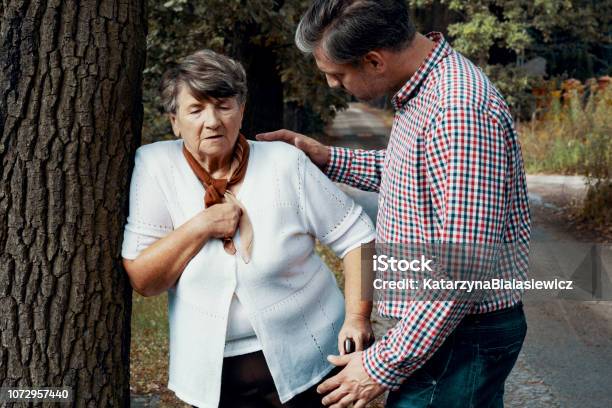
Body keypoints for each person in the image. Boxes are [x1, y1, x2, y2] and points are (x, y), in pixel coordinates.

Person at [256, 1, 531, 407]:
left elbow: (462, 269)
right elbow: (408, 173)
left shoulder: (457, 110)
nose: (332, 85)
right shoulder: (427, 91)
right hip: (442, 332)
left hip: (457, 336)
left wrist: (379, 366)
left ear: (373, 61)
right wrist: (327, 157)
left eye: (337, 74)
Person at [121, 49, 376, 408]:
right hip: (214, 384)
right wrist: (201, 225)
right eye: (196, 109)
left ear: (241, 110)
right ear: (175, 121)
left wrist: (357, 317)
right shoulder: (155, 165)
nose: (212, 121)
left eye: (224, 105)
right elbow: (145, 280)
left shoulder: (284, 162)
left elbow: (359, 237)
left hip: (316, 365)